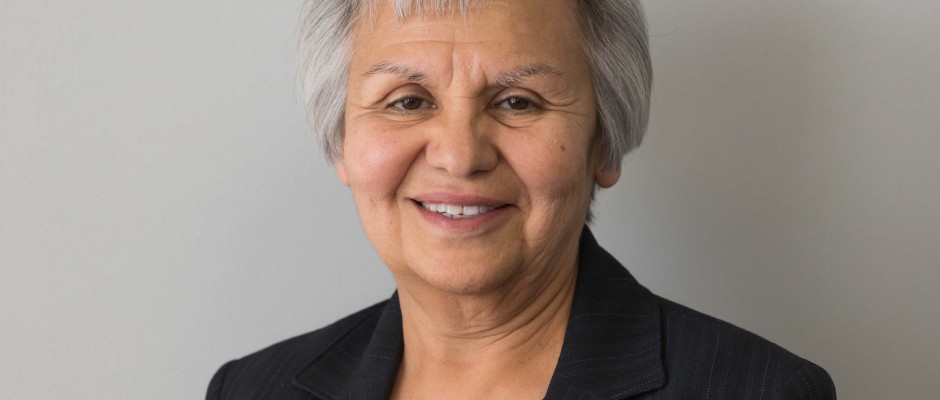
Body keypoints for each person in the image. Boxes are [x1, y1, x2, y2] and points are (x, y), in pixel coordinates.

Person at [207, 0, 836, 398]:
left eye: (518, 102)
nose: (459, 155)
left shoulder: (762, 391)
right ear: (342, 142)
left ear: (603, 142)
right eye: (407, 101)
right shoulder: (250, 390)